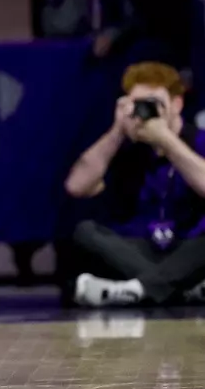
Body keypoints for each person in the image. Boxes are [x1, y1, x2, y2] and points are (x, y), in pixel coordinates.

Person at [66, 62, 205, 306]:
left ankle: (139, 289)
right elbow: (77, 186)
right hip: (141, 248)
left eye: (154, 103)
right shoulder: (127, 146)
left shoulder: (199, 139)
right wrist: (117, 130)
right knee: (85, 232)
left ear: (177, 104)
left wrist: (166, 140)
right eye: (138, 104)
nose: (145, 111)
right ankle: (176, 289)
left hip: (190, 247)